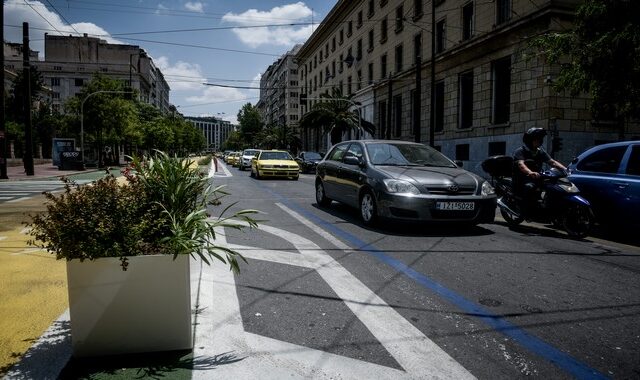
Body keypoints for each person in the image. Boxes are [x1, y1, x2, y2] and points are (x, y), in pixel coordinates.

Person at [512, 127, 567, 213]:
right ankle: (525, 211)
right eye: (537, 139)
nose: (540, 140)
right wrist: (530, 172)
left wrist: (566, 169)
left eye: (540, 138)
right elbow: (521, 164)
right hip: (522, 179)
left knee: (552, 186)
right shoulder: (520, 151)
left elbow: (552, 162)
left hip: (537, 177)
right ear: (529, 140)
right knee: (530, 187)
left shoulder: (540, 151)